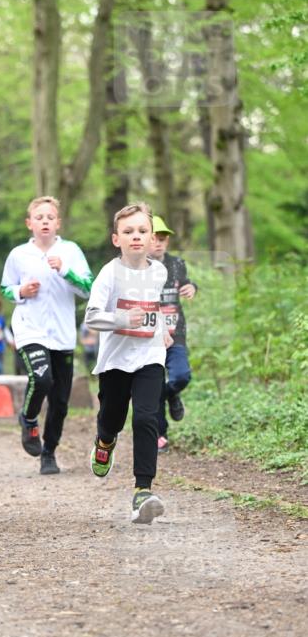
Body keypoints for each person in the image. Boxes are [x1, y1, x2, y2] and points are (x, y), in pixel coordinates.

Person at [85, 202, 171, 524]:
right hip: (116, 360)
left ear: (152, 238)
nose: (136, 236)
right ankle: (104, 441)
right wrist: (122, 317)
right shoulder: (110, 273)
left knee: (147, 418)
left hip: (150, 356)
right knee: (113, 418)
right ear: (116, 239)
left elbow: (155, 309)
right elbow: (91, 317)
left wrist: (161, 332)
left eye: (142, 231)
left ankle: (142, 491)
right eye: (128, 231)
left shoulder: (159, 272)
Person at [0, 195, 93, 475]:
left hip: (63, 334)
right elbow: (6, 287)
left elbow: (88, 288)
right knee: (42, 378)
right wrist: (20, 292)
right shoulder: (18, 254)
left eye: (49, 217)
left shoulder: (72, 251)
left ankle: (49, 452)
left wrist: (64, 270)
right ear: (30, 223)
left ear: (57, 223)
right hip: (30, 327)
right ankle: (28, 419)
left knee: (61, 402)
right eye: (39, 217)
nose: (44, 222)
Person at [148, 215, 197, 453]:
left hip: (175, 333)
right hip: (149, 337)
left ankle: (171, 394)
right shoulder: (139, 267)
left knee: (181, 376)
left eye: (163, 239)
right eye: (154, 238)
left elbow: (186, 282)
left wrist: (192, 287)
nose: (158, 243)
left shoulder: (177, 264)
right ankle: (160, 434)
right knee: (154, 384)